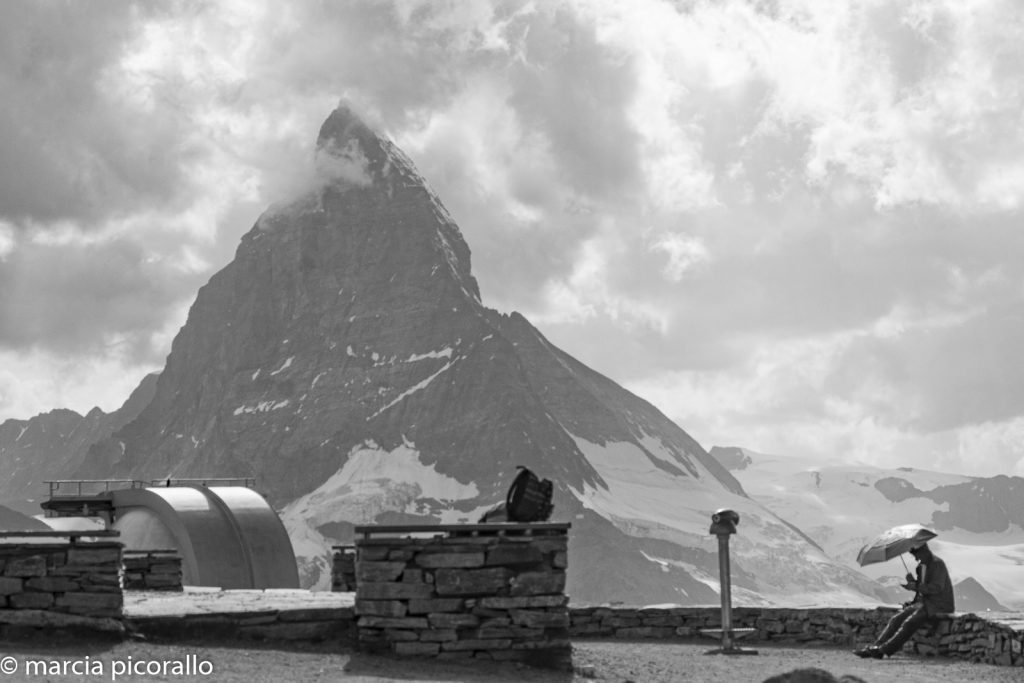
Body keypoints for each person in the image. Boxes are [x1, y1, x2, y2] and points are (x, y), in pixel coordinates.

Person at [853, 541, 955, 659]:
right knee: (895, 620)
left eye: (916, 554)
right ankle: (876, 647)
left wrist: (915, 586)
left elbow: (936, 588)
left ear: (923, 551)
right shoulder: (923, 566)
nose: (916, 558)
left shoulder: (937, 564)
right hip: (925, 603)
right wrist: (913, 583)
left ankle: (883, 650)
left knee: (909, 623)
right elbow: (923, 587)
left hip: (939, 604)